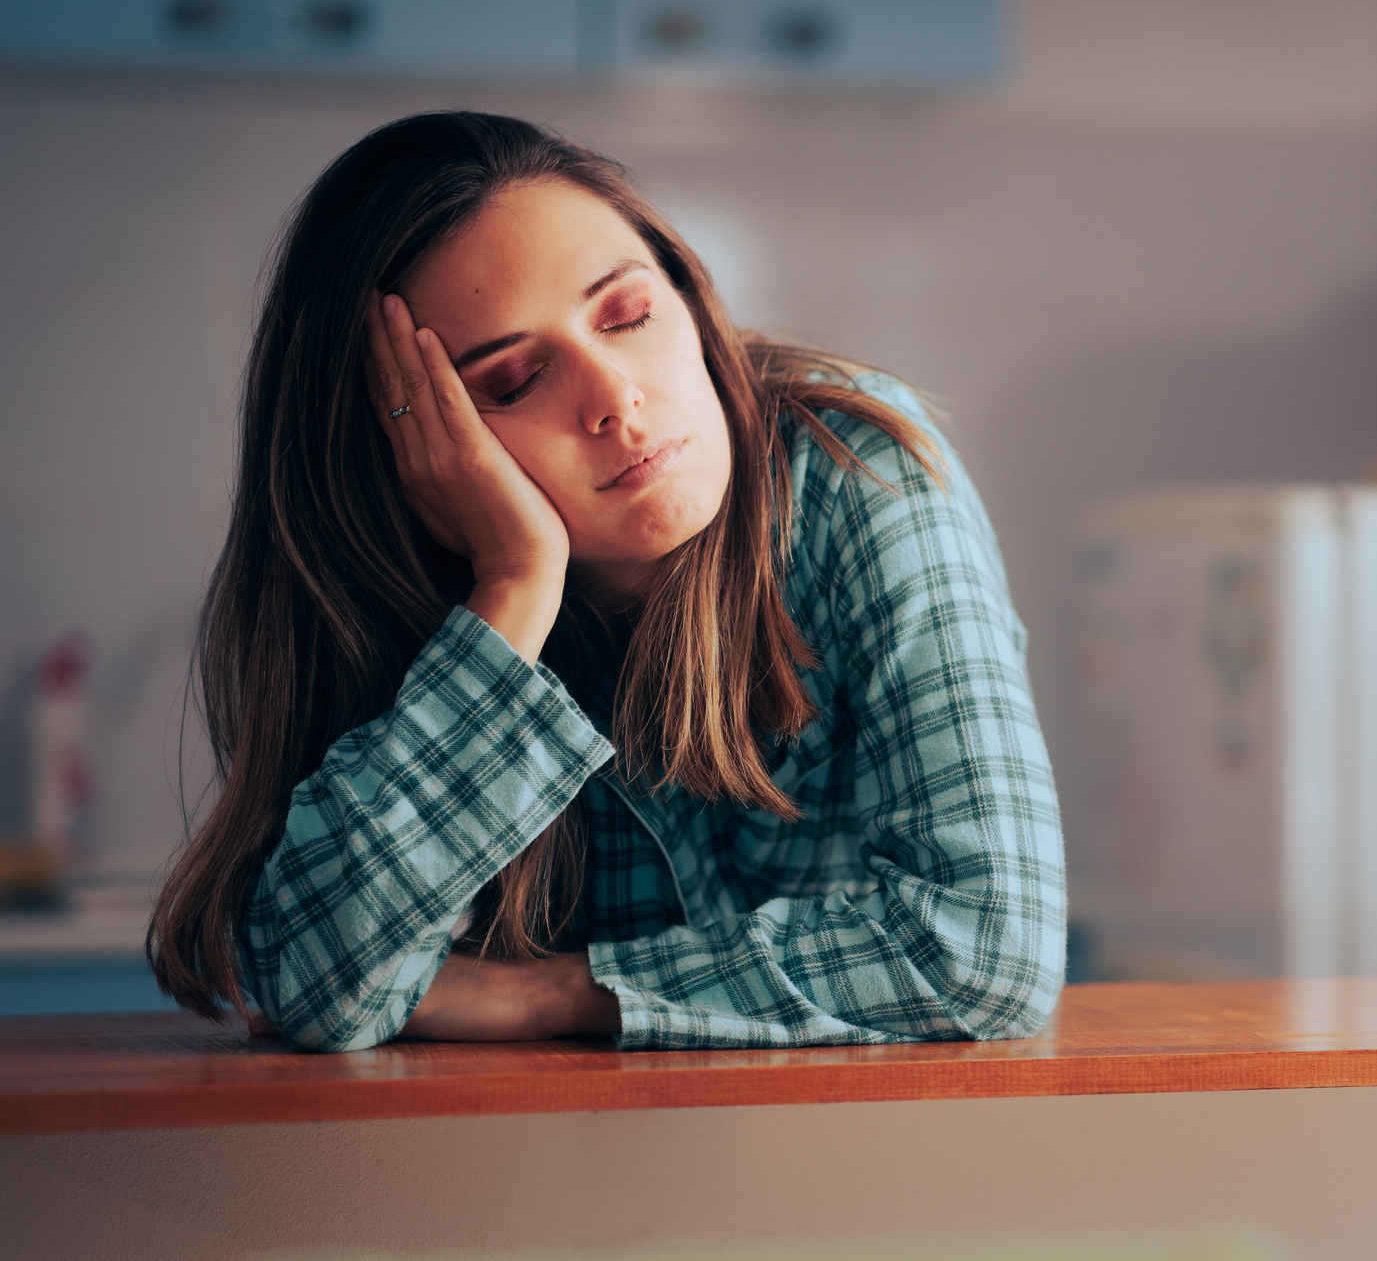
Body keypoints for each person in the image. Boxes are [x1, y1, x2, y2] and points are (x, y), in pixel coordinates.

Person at [146, 111, 1066, 1052]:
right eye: (511, 382)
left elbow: (983, 954)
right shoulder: (410, 587)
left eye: (627, 316)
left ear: (688, 300)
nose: (616, 398)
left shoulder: (854, 461)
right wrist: (513, 585)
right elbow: (314, 984)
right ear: (403, 450)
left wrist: (547, 995)